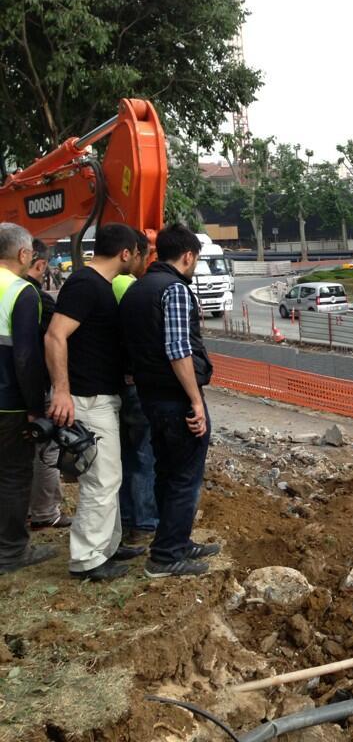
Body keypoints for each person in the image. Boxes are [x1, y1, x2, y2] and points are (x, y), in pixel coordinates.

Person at [119, 224, 219, 577]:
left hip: (149, 396)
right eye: (196, 260)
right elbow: (179, 351)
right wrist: (194, 400)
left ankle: (175, 537)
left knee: (165, 469)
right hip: (175, 399)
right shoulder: (174, 290)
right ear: (188, 256)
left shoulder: (137, 289)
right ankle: (166, 555)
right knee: (183, 475)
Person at [46, 223, 141, 580]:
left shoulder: (96, 286)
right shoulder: (86, 285)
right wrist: (61, 391)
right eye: (136, 252)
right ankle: (87, 560)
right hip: (87, 398)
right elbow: (56, 336)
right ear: (126, 253)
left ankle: (108, 546)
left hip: (101, 394)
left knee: (109, 477)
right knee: (100, 481)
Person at [0, 224, 55, 575]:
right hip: (8, 404)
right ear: (23, 254)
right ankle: (12, 552)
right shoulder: (22, 292)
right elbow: (26, 357)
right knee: (14, 476)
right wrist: (36, 408)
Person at [114, 231, 159, 546]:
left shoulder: (104, 285)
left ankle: (129, 519)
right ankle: (144, 524)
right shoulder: (129, 286)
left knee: (126, 455)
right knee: (145, 454)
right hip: (135, 384)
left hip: (115, 384)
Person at [23, 239, 71, 531]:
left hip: (12, 387)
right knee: (46, 450)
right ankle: (43, 512)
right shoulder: (36, 298)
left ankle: (41, 505)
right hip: (35, 386)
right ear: (39, 264)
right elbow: (53, 343)